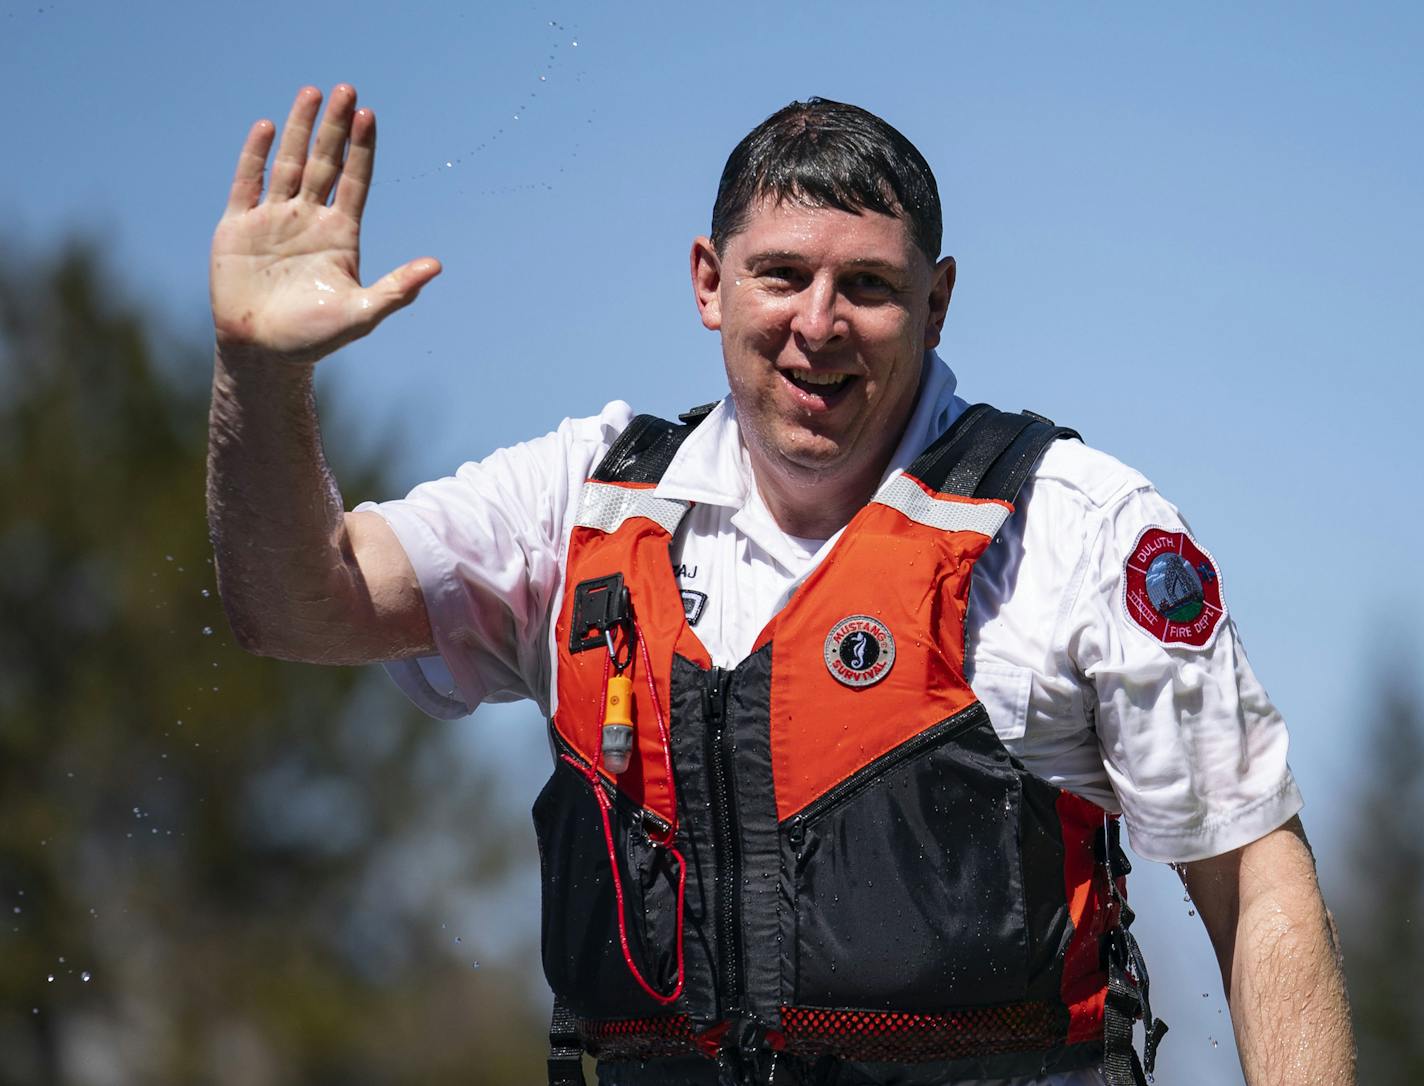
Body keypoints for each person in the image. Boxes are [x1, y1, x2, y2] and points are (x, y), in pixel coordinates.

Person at [207, 85, 1356, 1086]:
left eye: (866, 284)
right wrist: (260, 373)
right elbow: (299, 609)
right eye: (781, 276)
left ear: (937, 301)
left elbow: (1252, 870)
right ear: (709, 283)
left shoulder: (1077, 529)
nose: (818, 324)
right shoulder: (580, 504)